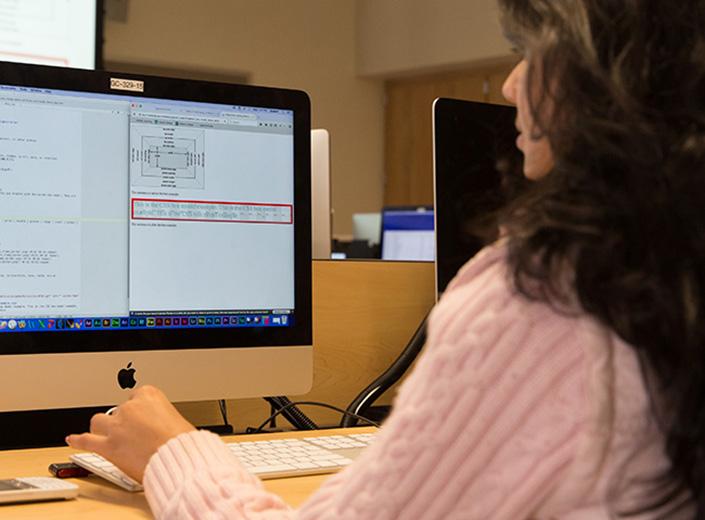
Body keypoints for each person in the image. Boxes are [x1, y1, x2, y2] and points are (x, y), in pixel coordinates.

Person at [67, 0, 705, 517]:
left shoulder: (552, 294)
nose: (511, 85)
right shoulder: (669, 278)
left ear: (603, 79)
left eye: (533, 54)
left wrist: (173, 453)